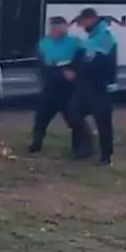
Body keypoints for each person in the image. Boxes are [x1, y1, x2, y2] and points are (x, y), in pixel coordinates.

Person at [29, 15, 83, 154]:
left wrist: (72, 71)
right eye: (53, 28)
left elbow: (81, 62)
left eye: (59, 27)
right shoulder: (43, 44)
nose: (55, 30)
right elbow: (41, 65)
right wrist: (58, 71)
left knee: (75, 120)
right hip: (51, 86)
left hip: (69, 89)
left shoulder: (75, 43)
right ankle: (36, 144)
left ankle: (81, 148)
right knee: (41, 118)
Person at [72, 7, 119, 165]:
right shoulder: (91, 37)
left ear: (91, 19)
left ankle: (106, 155)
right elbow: (82, 57)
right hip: (87, 85)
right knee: (74, 113)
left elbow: (103, 63)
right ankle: (86, 146)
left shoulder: (105, 37)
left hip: (100, 86)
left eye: (83, 21)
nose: (82, 25)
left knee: (103, 122)